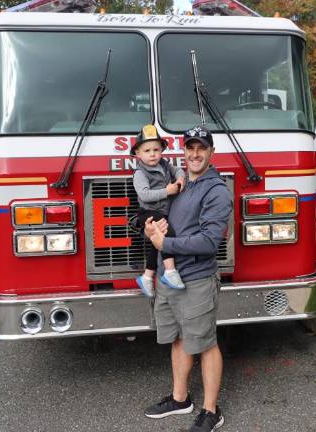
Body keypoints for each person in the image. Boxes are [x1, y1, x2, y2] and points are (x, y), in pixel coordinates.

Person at [143, 126, 233, 432]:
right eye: (190, 148)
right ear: (183, 151)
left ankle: (211, 411)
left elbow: (210, 242)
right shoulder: (179, 184)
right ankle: (181, 399)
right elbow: (164, 220)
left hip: (196, 279)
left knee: (205, 343)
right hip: (170, 280)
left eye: (201, 149)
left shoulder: (216, 191)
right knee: (179, 337)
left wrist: (164, 245)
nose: (195, 154)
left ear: (211, 153)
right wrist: (151, 230)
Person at [132, 124, 186, 296]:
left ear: (162, 150)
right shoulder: (140, 174)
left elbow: (177, 169)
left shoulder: (164, 164)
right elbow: (144, 195)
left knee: (156, 246)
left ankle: (147, 277)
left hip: (161, 212)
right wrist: (167, 191)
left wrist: (180, 178)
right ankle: (170, 272)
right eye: (147, 150)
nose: (153, 154)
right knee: (167, 233)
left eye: (156, 149)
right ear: (138, 154)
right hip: (147, 213)